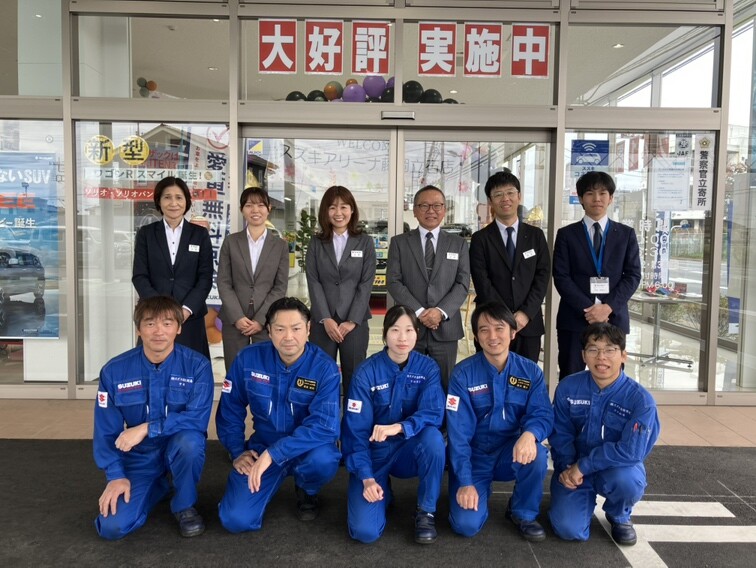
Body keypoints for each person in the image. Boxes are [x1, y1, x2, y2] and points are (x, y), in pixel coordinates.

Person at [215, 297, 341, 533]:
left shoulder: (325, 368)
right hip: (262, 446)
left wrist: (275, 453)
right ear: (269, 331)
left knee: (324, 459)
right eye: (280, 329)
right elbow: (230, 409)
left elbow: (324, 426)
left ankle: (307, 489)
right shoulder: (248, 359)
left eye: (296, 328)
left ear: (308, 329)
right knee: (235, 520)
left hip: (306, 449)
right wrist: (237, 451)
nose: (288, 337)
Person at [93, 296, 214, 540]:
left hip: (178, 447)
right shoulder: (114, 371)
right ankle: (158, 484)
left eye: (167, 323)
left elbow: (197, 420)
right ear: (139, 329)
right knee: (112, 527)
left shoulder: (197, 366)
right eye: (150, 323)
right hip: (140, 457)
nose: (159, 331)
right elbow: (105, 430)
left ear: (178, 328)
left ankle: (184, 505)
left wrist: (148, 428)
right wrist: (116, 476)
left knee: (190, 442)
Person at [446, 302, 553, 542]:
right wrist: (465, 481)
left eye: (499, 328)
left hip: (510, 452)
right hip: (475, 457)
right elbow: (458, 433)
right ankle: (476, 487)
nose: (492, 336)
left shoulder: (530, 372)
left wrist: (529, 434)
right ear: (476, 337)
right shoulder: (462, 374)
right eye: (484, 330)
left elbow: (543, 414)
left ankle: (523, 512)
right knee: (465, 525)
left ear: (513, 332)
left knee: (537, 453)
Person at [342, 305, 445, 545]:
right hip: (374, 455)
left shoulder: (427, 368)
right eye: (395, 330)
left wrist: (399, 427)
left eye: (409, 330)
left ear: (416, 333)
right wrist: (366, 478)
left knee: (434, 439)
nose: (402, 338)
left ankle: (426, 511)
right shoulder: (365, 373)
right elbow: (355, 432)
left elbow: (433, 413)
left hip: (410, 449)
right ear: (385, 333)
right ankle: (381, 487)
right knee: (365, 532)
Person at [549, 323, 660, 546]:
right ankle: (574, 500)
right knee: (568, 529)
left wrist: (584, 466)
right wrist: (567, 469)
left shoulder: (640, 400)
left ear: (623, 355)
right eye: (593, 350)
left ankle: (619, 514)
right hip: (574, 467)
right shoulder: (568, 388)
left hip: (615, 468)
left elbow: (631, 452)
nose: (601, 357)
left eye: (610, 350)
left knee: (627, 482)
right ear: (583, 355)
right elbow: (560, 434)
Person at [553, 171, 641, 380]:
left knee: (612, 376)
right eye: (590, 193)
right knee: (570, 375)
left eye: (603, 193)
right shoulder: (566, 235)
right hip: (575, 318)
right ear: (581, 198)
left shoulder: (626, 234)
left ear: (611, 198)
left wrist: (607, 307)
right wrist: (590, 309)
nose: (597, 198)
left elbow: (632, 275)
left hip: (614, 317)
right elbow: (561, 276)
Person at [387, 185, 470, 389]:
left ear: (444, 210)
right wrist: (420, 312)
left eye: (437, 205)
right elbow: (394, 282)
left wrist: (440, 312)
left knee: (444, 384)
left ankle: (440, 414)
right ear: (415, 210)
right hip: (410, 326)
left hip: (445, 328)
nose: (431, 210)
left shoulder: (458, 244)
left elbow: (462, 283)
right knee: (407, 384)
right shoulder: (399, 243)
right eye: (424, 205)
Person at [469, 170, 551, 362]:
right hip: (492, 324)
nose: (505, 199)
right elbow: (482, 281)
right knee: (490, 374)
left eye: (510, 193)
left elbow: (542, 276)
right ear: (490, 201)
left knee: (525, 376)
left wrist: (525, 314)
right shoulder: (480, 239)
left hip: (528, 324)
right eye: (498, 194)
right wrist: (504, 318)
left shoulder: (536, 236)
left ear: (519, 196)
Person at [305, 185, 376, 398]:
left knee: (355, 375)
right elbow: (313, 281)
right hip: (323, 322)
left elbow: (366, 283)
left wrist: (352, 320)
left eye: (344, 207)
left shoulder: (364, 242)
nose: (338, 212)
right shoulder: (316, 243)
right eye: (332, 207)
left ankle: (353, 418)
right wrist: (325, 318)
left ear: (352, 210)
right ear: (325, 211)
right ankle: (324, 417)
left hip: (355, 322)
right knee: (322, 375)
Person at [133, 176, 214, 359]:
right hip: (154, 317)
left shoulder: (199, 235)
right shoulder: (146, 234)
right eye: (167, 197)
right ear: (159, 201)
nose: (173, 203)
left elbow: (205, 278)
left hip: (190, 318)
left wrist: (185, 310)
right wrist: (160, 310)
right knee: (153, 365)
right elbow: (139, 276)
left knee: (190, 367)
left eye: (179, 197)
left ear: (186, 201)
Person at [217, 186, 289, 372]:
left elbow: (280, 287)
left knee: (265, 371)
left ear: (269, 209)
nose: (255, 210)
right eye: (249, 205)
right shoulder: (231, 242)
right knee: (234, 370)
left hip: (266, 320)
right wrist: (237, 317)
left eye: (260, 205)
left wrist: (261, 320)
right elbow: (224, 282)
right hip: (234, 319)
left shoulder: (280, 246)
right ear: (242, 209)